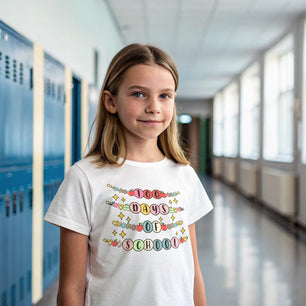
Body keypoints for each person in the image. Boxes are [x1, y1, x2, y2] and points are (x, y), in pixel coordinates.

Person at [44, 43, 213, 306]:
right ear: (111, 101)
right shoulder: (85, 177)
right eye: (138, 94)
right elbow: (72, 288)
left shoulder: (185, 176)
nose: (154, 107)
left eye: (165, 96)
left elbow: (193, 271)